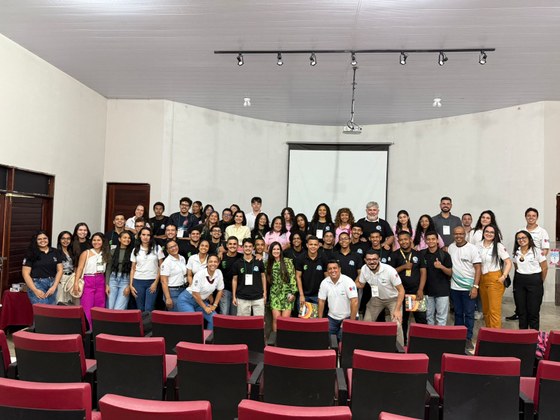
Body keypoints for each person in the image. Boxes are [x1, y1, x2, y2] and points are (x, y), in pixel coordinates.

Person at [507, 207, 551, 321]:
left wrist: (536, 261)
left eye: (533, 216)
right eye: (529, 215)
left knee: (533, 307)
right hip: (522, 269)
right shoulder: (520, 230)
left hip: (535, 267)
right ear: (525, 217)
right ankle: (519, 313)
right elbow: (516, 253)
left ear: (537, 217)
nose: (531, 217)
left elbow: (545, 249)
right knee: (520, 300)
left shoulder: (542, 231)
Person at [357, 250, 405, 345]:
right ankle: (365, 346)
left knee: (397, 324)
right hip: (377, 298)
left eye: (374, 259)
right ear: (365, 260)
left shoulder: (390, 270)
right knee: (366, 323)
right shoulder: (364, 269)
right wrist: (348, 284)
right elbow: (361, 285)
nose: (372, 262)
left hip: (394, 299)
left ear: (379, 259)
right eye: (369, 259)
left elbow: (401, 291)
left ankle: (401, 350)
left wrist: (397, 310)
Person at [390, 231, 427, 344]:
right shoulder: (394, 255)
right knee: (402, 320)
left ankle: (422, 342)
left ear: (410, 239)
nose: (403, 242)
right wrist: (403, 267)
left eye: (405, 239)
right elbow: (390, 273)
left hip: (415, 293)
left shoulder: (418, 254)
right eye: (401, 240)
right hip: (400, 294)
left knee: (421, 320)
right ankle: (403, 343)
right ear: (398, 241)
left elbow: (423, 272)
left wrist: (420, 289)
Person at [448, 226, 481, 351]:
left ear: (465, 234)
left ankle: (468, 338)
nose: (459, 236)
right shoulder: (451, 248)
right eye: (456, 234)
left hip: (469, 288)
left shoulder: (472, 249)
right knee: (457, 313)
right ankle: (458, 337)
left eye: (461, 234)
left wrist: (475, 287)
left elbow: (478, 268)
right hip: (454, 287)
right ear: (453, 235)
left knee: (469, 314)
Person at [477, 225, 512, 328]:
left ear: (495, 234)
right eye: (487, 231)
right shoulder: (477, 245)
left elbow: (508, 262)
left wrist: (504, 276)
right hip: (482, 279)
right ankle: (489, 333)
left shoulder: (498, 246)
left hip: (495, 278)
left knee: (494, 311)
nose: (489, 234)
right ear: (483, 232)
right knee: (486, 310)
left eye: (492, 232)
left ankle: (496, 335)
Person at [177, 254, 224, 330]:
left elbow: (220, 290)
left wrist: (215, 305)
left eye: (215, 262)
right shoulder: (200, 274)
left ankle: (208, 337)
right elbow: (195, 294)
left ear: (218, 263)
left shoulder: (219, 273)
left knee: (214, 319)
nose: (213, 264)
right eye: (210, 261)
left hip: (201, 301)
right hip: (187, 300)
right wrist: (205, 307)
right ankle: (193, 338)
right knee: (194, 322)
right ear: (207, 263)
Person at [512, 230, 548, 330]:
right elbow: (516, 265)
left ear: (529, 239)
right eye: (519, 238)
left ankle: (534, 336)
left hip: (535, 281)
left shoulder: (537, 251)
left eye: (524, 237)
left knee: (533, 312)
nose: (521, 240)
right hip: (520, 282)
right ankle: (523, 335)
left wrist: (539, 281)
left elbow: (544, 268)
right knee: (521, 311)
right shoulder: (516, 252)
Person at [74, 232, 110, 326]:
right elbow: (80, 268)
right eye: (94, 240)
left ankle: (98, 328)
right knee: (87, 305)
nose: (96, 242)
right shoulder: (86, 253)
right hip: (88, 279)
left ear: (103, 241)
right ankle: (88, 329)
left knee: (100, 306)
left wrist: (107, 284)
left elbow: (107, 270)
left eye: (99, 240)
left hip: (100, 280)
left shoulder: (105, 254)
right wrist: (76, 283)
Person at [318, 260, 359, 341]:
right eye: (330, 269)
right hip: (332, 317)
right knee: (328, 339)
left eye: (335, 268)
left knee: (343, 340)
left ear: (339, 269)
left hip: (348, 317)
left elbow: (354, 301)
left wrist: (351, 322)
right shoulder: (324, 283)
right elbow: (321, 301)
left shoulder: (348, 281)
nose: (332, 270)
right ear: (327, 271)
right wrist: (320, 320)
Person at [22, 231, 63, 305]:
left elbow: (60, 270)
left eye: (45, 238)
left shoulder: (55, 251)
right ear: (35, 241)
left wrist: (54, 286)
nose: (42, 240)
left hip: (52, 284)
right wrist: (35, 290)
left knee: (52, 309)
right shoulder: (30, 253)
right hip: (37, 284)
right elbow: (25, 274)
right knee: (43, 309)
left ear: (48, 239)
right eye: (39, 239)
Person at [421, 231, 453, 326]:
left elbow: (450, 272)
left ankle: (440, 336)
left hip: (442, 291)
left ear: (437, 240)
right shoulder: (422, 254)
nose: (431, 241)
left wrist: (441, 267)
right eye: (428, 239)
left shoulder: (445, 255)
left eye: (433, 239)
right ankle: (430, 335)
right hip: (426, 291)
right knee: (428, 317)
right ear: (425, 241)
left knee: (441, 318)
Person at [130, 227, 164, 312]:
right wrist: (131, 285)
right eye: (143, 234)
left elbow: (161, 267)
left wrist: (155, 283)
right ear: (140, 236)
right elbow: (133, 269)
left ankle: (148, 322)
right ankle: (141, 322)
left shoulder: (157, 248)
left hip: (152, 281)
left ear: (151, 237)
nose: (145, 237)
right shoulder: (135, 250)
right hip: (138, 281)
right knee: (140, 308)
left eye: (148, 235)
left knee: (149, 308)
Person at [266, 242, 298, 331]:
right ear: (270, 251)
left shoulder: (287, 261)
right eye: (274, 249)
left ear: (281, 250)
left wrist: (293, 293)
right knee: (276, 319)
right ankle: (275, 339)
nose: (276, 251)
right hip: (274, 294)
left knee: (285, 321)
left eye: (278, 249)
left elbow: (292, 277)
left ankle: (284, 339)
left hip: (287, 294)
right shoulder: (267, 263)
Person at [232, 238, 267, 316]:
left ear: (253, 247)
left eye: (250, 246)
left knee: (259, 321)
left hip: (258, 297)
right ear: (242, 247)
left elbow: (263, 277)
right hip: (242, 297)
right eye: (246, 246)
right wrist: (234, 296)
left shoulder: (259, 261)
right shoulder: (237, 263)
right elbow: (234, 280)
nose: (248, 248)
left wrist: (265, 292)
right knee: (243, 322)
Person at [296, 236, 328, 310]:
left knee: (317, 317)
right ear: (307, 245)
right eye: (311, 244)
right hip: (304, 295)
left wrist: (324, 294)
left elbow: (327, 276)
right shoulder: (301, 258)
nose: (313, 246)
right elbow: (298, 276)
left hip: (318, 295)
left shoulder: (323, 257)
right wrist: (301, 295)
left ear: (318, 246)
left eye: (315, 244)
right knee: (304, 316)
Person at [106, 231, 134, 310]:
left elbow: (133, 270)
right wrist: (107, 284)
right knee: (110, 307)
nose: (127, 240)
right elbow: (108, 268)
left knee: (119, 308)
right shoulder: (113, 251)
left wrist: (129, 285)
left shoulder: (133, 252)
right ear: (119, 239)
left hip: (126, 280)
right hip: (113, 279)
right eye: (124, 237)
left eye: (129, 238)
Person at [160, 240, 187, 311]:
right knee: (176, 314)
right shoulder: (166, 263)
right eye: (171, 247)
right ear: (167, 250)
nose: (174, 248)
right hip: (172, 292)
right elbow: (163, 281)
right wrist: (168, 298)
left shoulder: (182, 258)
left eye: (175, 246)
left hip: (183, 289)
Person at [219, 237, 242, 315]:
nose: (232, 246)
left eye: (234, 244)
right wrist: (219, 288)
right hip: (225, 289)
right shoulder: (221, 257)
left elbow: (252, 257)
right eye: (230, 244)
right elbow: (216, 273)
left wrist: (258, 255)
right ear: (227, 245)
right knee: (224, 312)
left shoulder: (242, 257)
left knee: (234, 315)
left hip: (238, 290)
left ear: (238, 245)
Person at [55, 230, 76, 305]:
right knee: (60, 301)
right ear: (59, 240)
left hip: (71, 278)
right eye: (63, 238)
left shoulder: (72, 252)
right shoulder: (56, 252)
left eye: (68, 238)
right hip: (61, 278)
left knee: (70, 301)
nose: (66, 241)